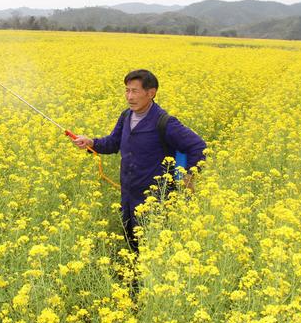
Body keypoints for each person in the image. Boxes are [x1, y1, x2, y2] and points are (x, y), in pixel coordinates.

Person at [72, 70, 206, 253]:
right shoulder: (126, 116)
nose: (129, 96)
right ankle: (134, 280)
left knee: (153, 248)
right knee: (132, 243)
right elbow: (113, 143)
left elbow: (198, 146)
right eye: (127, 91)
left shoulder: (165, 122)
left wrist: (188, 177)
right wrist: (91, 143)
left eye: (135, 91)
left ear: (151, 93)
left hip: (155, 199)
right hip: (128, 193)